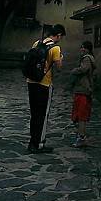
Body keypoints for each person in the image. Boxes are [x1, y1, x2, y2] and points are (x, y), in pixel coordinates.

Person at [27, 23, 66, 154]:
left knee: (34, 113)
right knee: (42, 115)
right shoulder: (55, 48)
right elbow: (59, 67)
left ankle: (32, 141)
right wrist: (61, 58)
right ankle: (39, 143)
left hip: (31, 81)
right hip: (44, 83)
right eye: (61, 37)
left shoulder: (37, 43)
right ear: (58, 35)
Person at [71, 41, 96, 147]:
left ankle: (82, 138)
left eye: (83, 47)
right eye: (81, 47)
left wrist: (74, 70)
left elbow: (84, 69)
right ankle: (80, 136)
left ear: (87, 49)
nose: (81, 49)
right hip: (81, 89)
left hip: (83, 90)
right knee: (79, 115)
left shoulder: (87, 59)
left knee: (81, 115)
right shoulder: (87, 58)